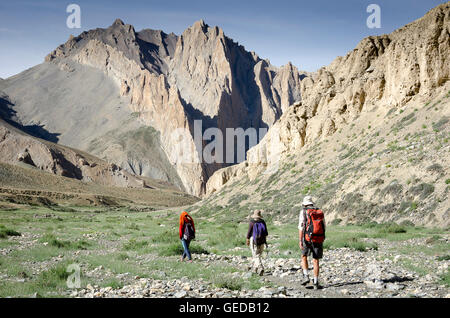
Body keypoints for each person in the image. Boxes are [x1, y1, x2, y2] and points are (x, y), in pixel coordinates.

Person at [298, 196, 326, 290]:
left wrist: (300, 240)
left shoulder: (303, 211)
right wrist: (322, 237)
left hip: (306, 238)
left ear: (304, 204)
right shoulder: (319, 211)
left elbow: (301, 227)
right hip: (318, 238)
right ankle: (315, 282)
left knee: (304, 256)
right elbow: (324, 226)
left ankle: (306, 276)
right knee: (316, 260)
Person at [246, 209, 268, 276]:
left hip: (254, 240)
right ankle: (254, 269)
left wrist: (247, 239)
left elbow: (249, 232)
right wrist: (264, 240)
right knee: (258, 255)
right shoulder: (262, 222)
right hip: (262, 240)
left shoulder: (252, 222)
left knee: (256, 255)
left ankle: (261, 267)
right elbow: (266, 233)